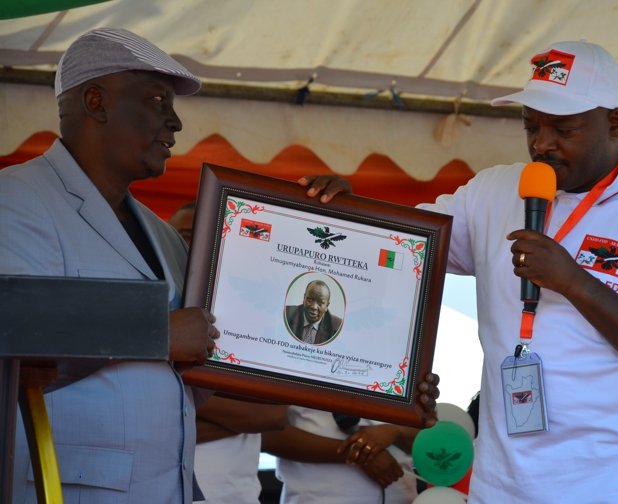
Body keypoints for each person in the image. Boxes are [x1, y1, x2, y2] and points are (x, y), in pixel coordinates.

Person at [304, 40, 618, 502]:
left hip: (613, 485)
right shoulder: (492, 191)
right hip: (502, 485)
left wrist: (574, 282)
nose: (541, 143)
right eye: (531, 125)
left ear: (615, 122)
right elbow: (404, 248)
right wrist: (343, 213)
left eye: (563, 128)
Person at [0, 27, 363, 503]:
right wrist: (159, 333)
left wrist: (323, 230)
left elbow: (204, 365)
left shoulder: (164, 236)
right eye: (157, 100)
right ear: (95, 102)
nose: (175, 123)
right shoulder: (17, 200)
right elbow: (15, 332)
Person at [168, 202, 289, 504]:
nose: (190, 248)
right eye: (180, 236)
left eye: (205, 238)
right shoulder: (158, 317)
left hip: (233, 495)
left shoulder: (252, 323)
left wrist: (173, 400)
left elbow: (270, 415)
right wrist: (235, 418)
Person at [261, 406, 419, 504]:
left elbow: (424, 436)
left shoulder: (405, 367)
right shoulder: (294, 361)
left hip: (402, 497)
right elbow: (268, 435)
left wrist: (396, 431)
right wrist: (361, 453)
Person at [284, 279, 343, 345]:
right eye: (310, 300)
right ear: (304, 298)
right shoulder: (286, 314)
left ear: (327, 306)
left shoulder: (337, 327)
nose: (314, 307)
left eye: (320, 302)